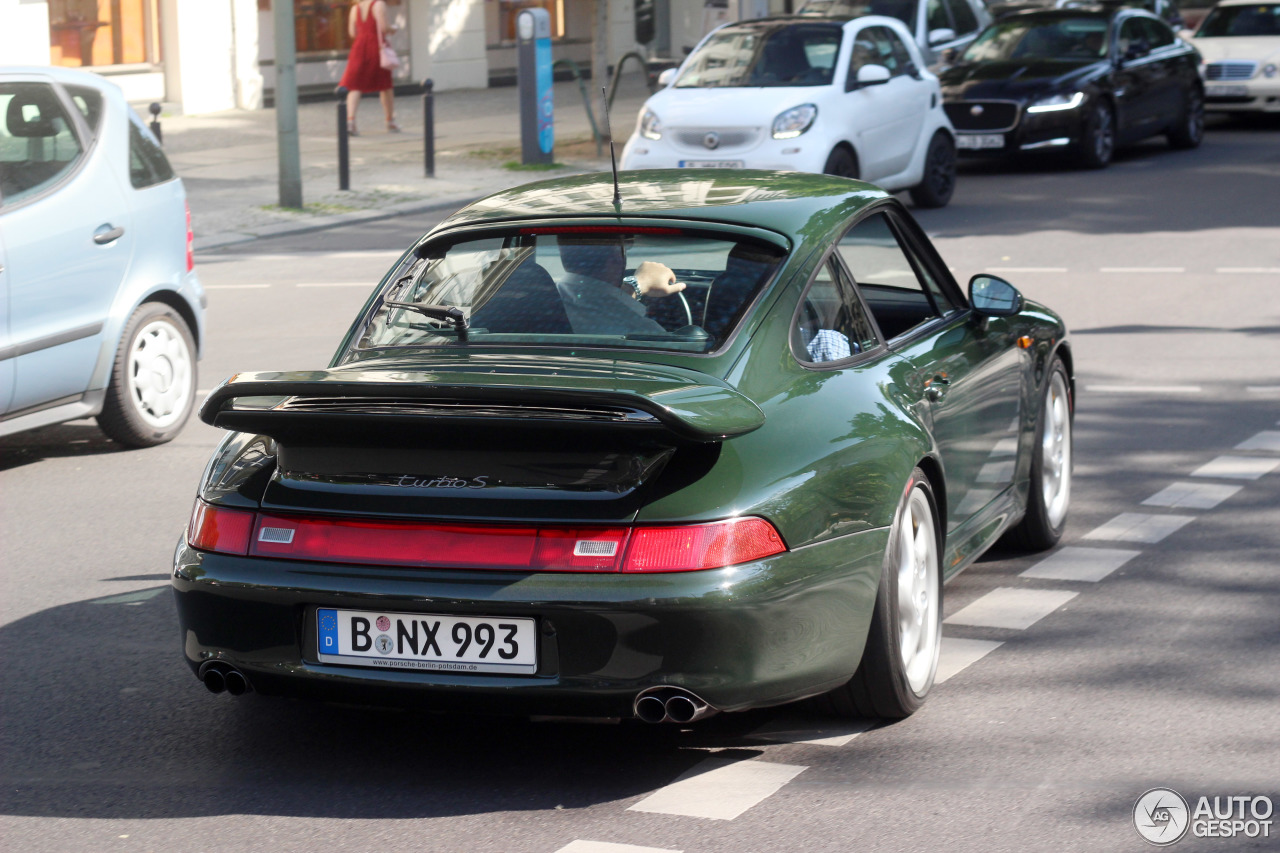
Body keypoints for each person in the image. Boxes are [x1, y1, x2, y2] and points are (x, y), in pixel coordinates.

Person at [555, 237, 687, 335]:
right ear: (617, 255)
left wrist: (634, 288)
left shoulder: (541, 303)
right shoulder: (641, 333)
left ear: (562, 253)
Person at [339, 0, 398, 135]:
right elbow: (384, 28)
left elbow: (352, 33)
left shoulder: (355, 9)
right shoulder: (379, 4)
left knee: (355, 85)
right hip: (376, 47)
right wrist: (393, 28)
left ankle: (350, 122)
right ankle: (390, 121)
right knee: (385, 85)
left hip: (359, 47)